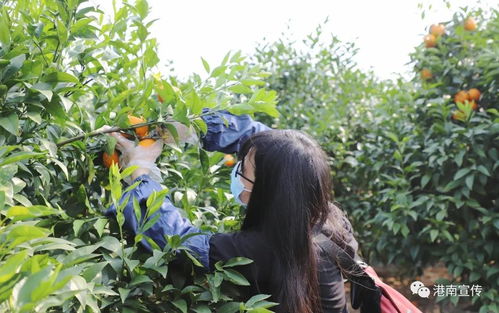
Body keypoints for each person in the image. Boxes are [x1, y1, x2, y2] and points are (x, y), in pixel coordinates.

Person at [105, 109, 359, 313]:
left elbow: (180, 241)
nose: (238, 176)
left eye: (244, 173)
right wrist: (194, 127)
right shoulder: (325, 216)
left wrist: (140, 172)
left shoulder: (260, 249)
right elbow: (283, 152)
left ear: (267, 192)